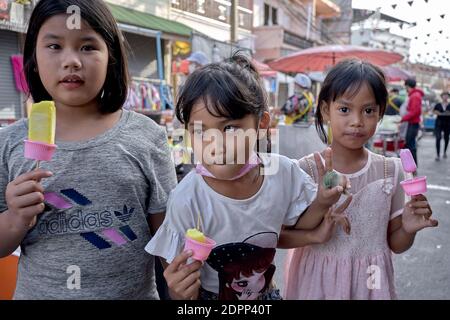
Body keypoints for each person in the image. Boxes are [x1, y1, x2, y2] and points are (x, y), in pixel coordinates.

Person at [0, 0, 177, 299]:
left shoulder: (147, 137)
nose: (71, 61)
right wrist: (16, 219)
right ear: (32, 58)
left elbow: (168, 238)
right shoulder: (8, 142)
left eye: (87, 47)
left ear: (112, 58)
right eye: (54, 46)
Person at [145, 53, 349, 300]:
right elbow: (178, 286)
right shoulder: (187, 199)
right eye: (199, 131)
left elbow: (297, 224)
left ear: (261, 123)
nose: (215, 145)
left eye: (229, 128)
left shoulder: (282, 172)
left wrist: (323, 201)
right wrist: (178, 291)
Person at [283, 59, 438, 300]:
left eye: (368, 110)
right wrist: (322, 203)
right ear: (326, 110)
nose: (357, 121)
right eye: (345, 109)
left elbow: (395, 244)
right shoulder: (305, 170)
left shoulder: (392, 171)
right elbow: (285, 234)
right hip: (316, 283)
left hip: (371, 283)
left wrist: (408, 229)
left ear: (380, 114)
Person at [401, 78, 423, 166]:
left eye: (405, 86)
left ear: (407, 86)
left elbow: (415, 112)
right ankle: (410, 166)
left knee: (410, 145)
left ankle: (412, 167)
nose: (405, 89)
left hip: (413, 123)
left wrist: (402, 119)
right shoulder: (414, 95)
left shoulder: (415, 96)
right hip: (412, 123)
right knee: (410, 144)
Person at [433, 91, 450, 161]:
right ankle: (438, 154)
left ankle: (445, 152)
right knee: (438, 138)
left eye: (446, 95)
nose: (445, 97)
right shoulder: (438, 104)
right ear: (442, 96)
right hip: (439, 123)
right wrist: (438, 113)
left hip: (448, 124)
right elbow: (434, 111)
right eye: (444, 95)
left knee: (446, 138)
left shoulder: (449, 105)